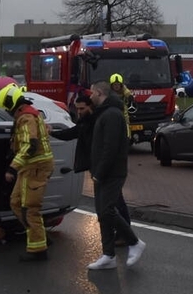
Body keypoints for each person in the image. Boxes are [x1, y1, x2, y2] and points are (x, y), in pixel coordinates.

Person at [85, 78, 144, 270]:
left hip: (111, 173)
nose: (90, 95)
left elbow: (110, 147)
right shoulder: (104, 113)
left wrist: (100, 172)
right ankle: (108, 255)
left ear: (100, 93)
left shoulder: (111, 115)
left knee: (107, 210)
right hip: (103, 172)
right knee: (103, 213)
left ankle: (134, 242)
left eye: (92, 92)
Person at [52, 91, 133, 228]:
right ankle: (119, 233)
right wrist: (52, 133)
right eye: (77, 109)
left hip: (106, 168)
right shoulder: (86, 122)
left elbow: (109, 147)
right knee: (111, 202)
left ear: (90, 107)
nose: (79, 112)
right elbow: (72, 133)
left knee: (113, 203)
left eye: (82, 108)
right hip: (97, 166)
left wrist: (101, 170)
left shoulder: (99, 120)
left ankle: (125, 234)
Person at [0, 83, 56, 260]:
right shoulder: (32, 113)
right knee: (16, 203)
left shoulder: (26, 118)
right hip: (31, 167)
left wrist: (11, 168)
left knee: (28, 208)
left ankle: (38, 251)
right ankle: (39, 235)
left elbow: (29, 146)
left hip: (35, 168)